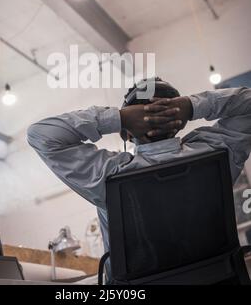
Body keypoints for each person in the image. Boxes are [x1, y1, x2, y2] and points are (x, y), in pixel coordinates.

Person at [27, 78, 251, 281]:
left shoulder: (108, 176)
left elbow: (41, 135)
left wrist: (119, 118)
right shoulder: (217, 153)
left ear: (126, 134)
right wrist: (192, 106)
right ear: (181, 122)